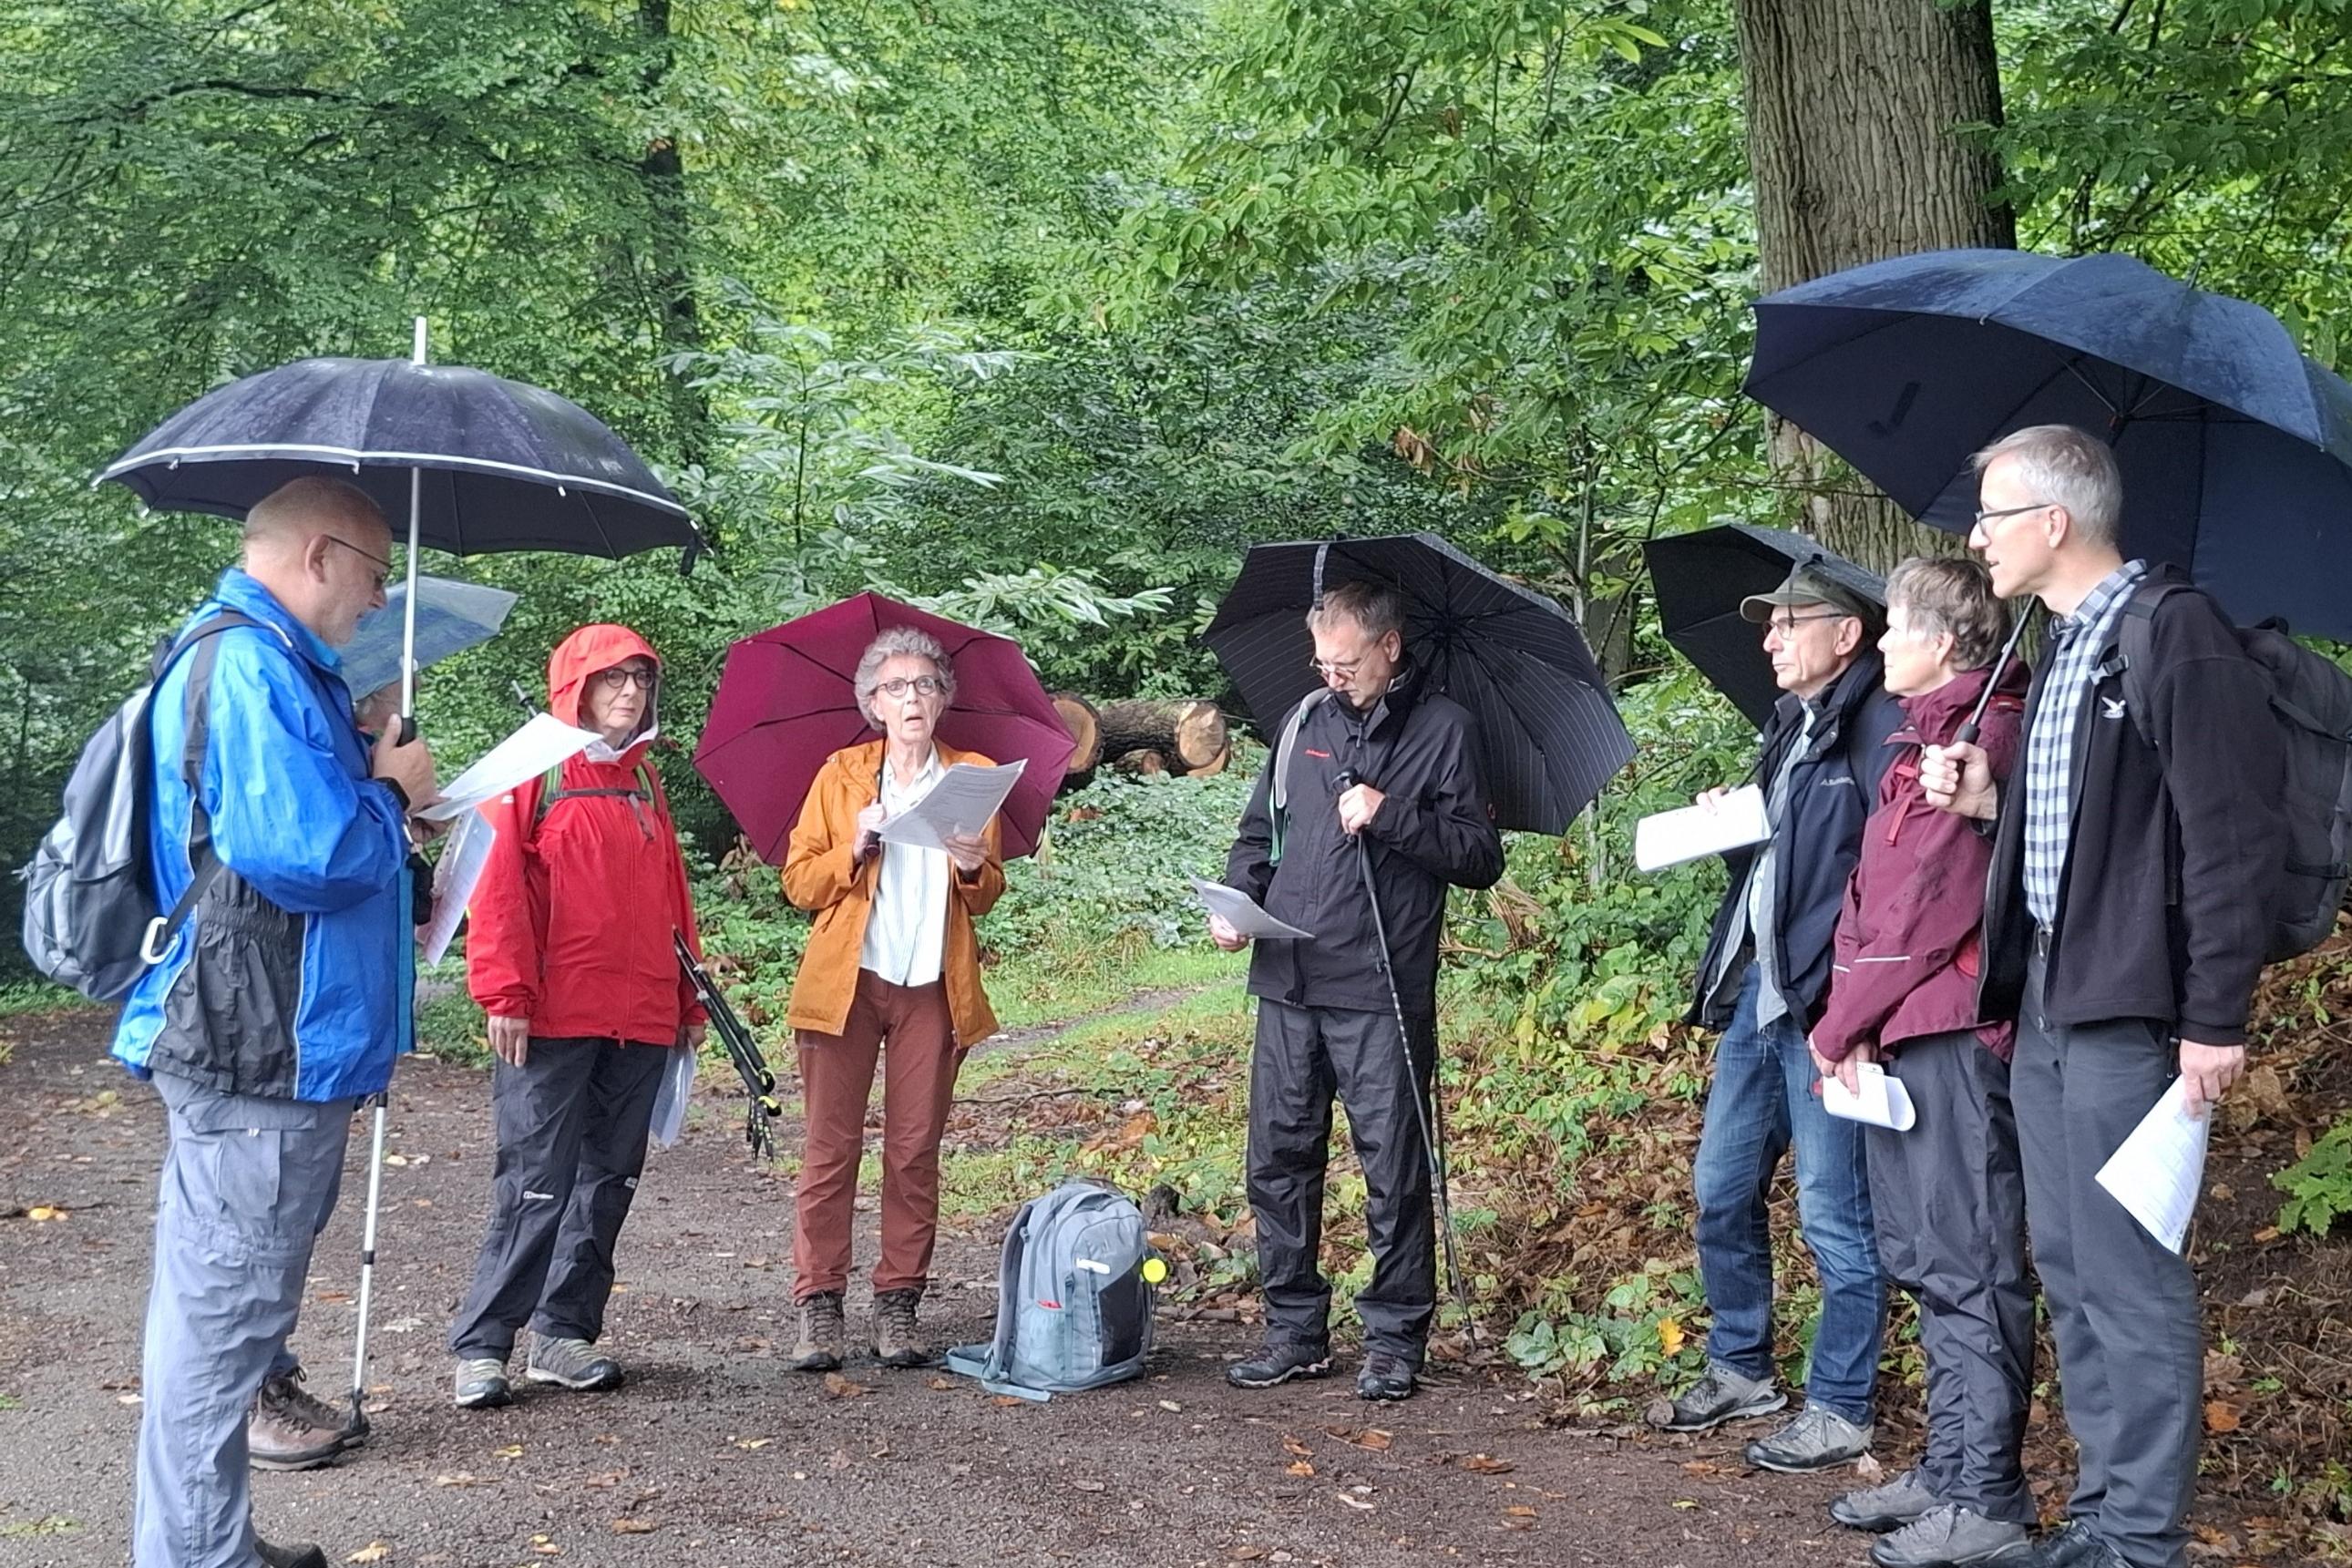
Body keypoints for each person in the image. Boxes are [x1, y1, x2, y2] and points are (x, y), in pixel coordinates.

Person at [1923, 425, 2285, 1568]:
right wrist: (1986, 801)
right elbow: (2092, 832)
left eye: (1990, 513)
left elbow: (2232, 837)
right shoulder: (2068, 642)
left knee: (2128, 1277)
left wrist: (2214, 1016)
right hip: (2048, 1005)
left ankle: (2142, 1537)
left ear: (2053, 521)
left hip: (2134, 1014)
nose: (1975, 536)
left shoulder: (2170, 633)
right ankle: (2102, 1510)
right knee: (2072, 1270)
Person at [112, 476, 437, 1568]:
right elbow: (306, 855)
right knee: (221, 1330)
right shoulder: (249, 663)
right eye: (376, 576)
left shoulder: (279, 666)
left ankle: (213, 1541)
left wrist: (363, 756)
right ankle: (195, 1557)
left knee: (232, 1318)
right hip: (258, 1044)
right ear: (320, 557)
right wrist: (389, 792)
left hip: (274, 1042)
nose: (375, 600)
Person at [1214, 579, 1503, 1402]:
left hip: (1380, 982)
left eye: (1344, 663)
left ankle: (1394, 1335)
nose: (1329, 675)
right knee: (1277, 1158)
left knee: (1392, 1166)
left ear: (1388, 647)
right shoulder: (1302, 721)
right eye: (1321, 661)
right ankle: (1294, 1329)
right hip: (1285, 977)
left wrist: (1389, 812)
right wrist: (1240, 905)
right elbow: (1254, 838)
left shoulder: (1444, 729)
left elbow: (1479, 857)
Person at [1652, 560, 1903, 1471]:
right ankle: (1741, 1365)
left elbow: (1892, 883)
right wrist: (1734, 825)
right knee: (1720, 1188)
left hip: (1827, 1012)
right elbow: (1782, 868)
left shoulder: (1880, 726)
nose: (1768, 639)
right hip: (1758, 1001)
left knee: (1834, 1215)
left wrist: (1860, 1009)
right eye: (1767, 624)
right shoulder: (1789, 723)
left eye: (1788, 622)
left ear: (1845, 634)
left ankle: (1841, 1405)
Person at [1809, 558, 2034, 1568]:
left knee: (1971, 1263)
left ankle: (1986, 1494)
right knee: (1927, 1260)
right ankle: (1948, 1467)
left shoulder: (1982, 736)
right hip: (1903, 1033)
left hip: (1951, 1034)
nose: (1882, 641)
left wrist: (1836, 1023)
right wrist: (1850, 1015)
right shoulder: (1920, 739)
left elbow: (1923, 912)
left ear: (1943, 640)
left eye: (1893, 626)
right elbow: (1874, 895)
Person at [447, 625, 707, 1409]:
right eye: (611, 679)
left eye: (639, 679)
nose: (628, 692)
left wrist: (687, 999)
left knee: (608, 1179)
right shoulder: (532, 774)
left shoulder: (646, 783)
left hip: (641, 1017)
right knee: (535, 1179)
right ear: (575, 686)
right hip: (554, 1014)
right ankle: (484, 1344)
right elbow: (494, 890)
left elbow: (673, 900)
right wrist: (504, 993)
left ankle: (564, 1334)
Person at [782, 626, 1005, 1371]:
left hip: (932, 986)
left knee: (913, 1150)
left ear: (944, 697)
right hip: (847, 984)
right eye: (895, 687)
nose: (911, 698)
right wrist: (852, 846)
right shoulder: (842, 775)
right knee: (829, 1149)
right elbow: (798, 882)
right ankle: (819, 1304)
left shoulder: (971, 777)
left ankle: (898, 1301)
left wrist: (973, 864)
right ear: (871, 702)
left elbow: (988, 891)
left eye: (924, 684)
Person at [243, 677, 434, 1474]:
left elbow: (401, 900)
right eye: (392, 693)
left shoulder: (359, 773)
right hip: (296, 1028)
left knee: (299, 1217)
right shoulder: (326, 768)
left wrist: (414, 824)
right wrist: (389, 792)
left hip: (346, 1026)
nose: (402, 706)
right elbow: (319, 864)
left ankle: (270, 1374)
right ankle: (246, 1394)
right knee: (266, 1220)